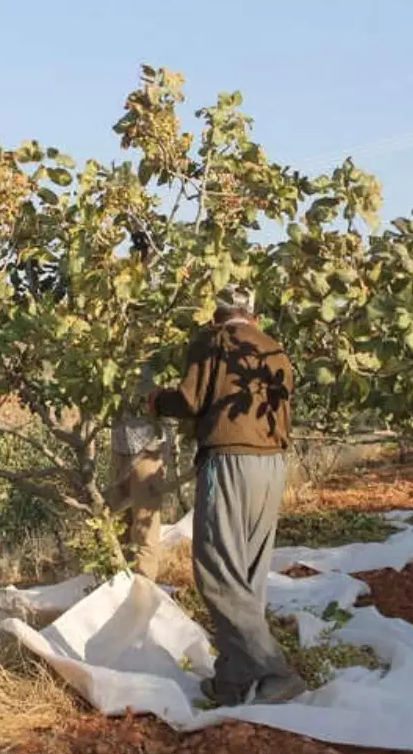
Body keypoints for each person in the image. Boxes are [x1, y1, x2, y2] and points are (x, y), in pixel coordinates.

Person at [146, 285, 307, 706]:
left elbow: (188, 399)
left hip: (230, 462)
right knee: (247, 572)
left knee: (216, 571)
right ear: (252, 314)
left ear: (217, 314)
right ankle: (233, 680)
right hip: (272, 465)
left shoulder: (212, 342)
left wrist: (157, 401)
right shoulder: (275, 348)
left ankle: (276, 670)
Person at [109, 376, 169, 579]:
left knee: (145, 526)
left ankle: (143, 590)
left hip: (148, 449)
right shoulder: (111, 353)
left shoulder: (153, 354)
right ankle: (119, 584)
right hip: (120, 448)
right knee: (117, 524)